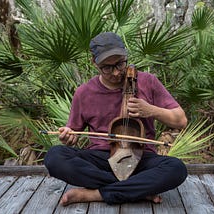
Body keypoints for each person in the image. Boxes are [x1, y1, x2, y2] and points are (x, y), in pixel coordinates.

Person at [44, 32, 188, 206]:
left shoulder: (148, 81)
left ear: (125, 56)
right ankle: (136, 190)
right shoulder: (84, 93)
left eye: (120, 63)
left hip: (142, 158)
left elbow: (181, 121)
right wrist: (68, 137)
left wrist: (151, 110)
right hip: (100, 159)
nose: (116, 72)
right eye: (107, 67)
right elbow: (73, 133)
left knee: (176, 169)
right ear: (94, 63)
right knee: (54, 157)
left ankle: (96, 194)